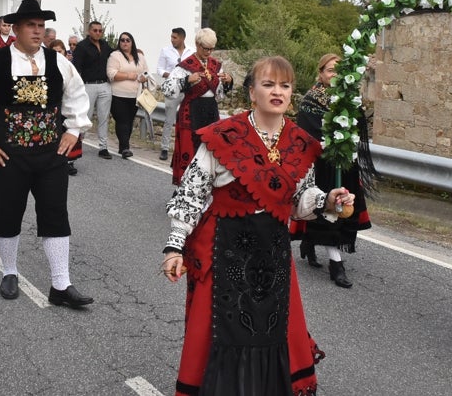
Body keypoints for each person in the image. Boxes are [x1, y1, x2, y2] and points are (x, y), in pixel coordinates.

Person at [162, 56, 355, 395]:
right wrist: (174, 245)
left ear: (292, 93)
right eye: (268, 84)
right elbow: (192, 192)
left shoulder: (299, 142)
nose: (277, 91)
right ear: (252, 92)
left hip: (273, 254)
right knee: (222, 333)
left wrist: (327, 201)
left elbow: (298, 202)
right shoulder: (224, 136)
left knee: (272, 333)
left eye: (284, 85)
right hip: (225, 251)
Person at [0, 0, 94, 308]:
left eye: (41, 26)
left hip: (51, 154)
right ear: (15, 29)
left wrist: (72, 130)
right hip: (7, 154)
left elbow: (78, 97)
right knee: (9, 211)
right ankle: (10, 271)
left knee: (56, 213)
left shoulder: (59, 63)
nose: (38, 31)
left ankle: (61, 284)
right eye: (31, 25)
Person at [292, 53, 375, 288]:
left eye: (339, 71)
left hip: (345, 162)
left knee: (346, 209)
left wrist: (349, 127)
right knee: (330, 210)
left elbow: (358, 124)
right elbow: (308, 132)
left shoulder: (347, 97)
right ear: (320, 73)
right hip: (323, 164)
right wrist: (333, 136)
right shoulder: (311, 100)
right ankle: (336, 264)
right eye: (330, 70)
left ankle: (309, 241)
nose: (334, 75)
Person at [161, 28, 233, 185]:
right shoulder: (185, 66)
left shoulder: (216, 65)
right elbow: (167, 89)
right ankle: (186, 188)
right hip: (191, 112)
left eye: (211, 49)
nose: (208, 52)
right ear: (197, 44)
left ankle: (206, 188)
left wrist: (228, 82)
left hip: (210, 112)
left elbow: (219, 95)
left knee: (211, 152)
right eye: (205, 48)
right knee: (191, 152)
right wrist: (186, 80)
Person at [72, 20, 113, 160]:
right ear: (89, 31)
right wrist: (79, 87)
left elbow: (115, 55)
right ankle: (77, 143)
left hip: (104, 85)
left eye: (100, 30)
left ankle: (103, 147)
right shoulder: (82, 47)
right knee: (86, 117)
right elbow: (77, 67)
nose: (98, 33)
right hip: (88, 85)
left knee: (103, 117)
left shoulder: (105, 45)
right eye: (95, 30)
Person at [106, 32, 148, 159]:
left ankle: (122, 146)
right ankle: (125, 147)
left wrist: (143, 78)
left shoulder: (140, 57)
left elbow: (146, 72)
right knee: (122, 120)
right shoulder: (115, 55)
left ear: (132, 42)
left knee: (129, 121)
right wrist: (128, 76)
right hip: (118, 95)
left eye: (127, 40)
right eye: (122, 40)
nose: (124, 42)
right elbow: (111, 73)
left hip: (135, 95)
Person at [156, 27, 195, 161]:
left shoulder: (192, 52)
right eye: (171, 37)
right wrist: (170, 75)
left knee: (187, 120)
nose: (172, 39)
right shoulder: (165, 51)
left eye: (175, 37)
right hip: (173, 90)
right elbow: (159, 69)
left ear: (182, 38)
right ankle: (165, 148)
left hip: (187, 89)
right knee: (169, 120)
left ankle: (185, 147)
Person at [51, 39, 82, 176]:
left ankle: (70, 161)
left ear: (64, 52)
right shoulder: (46, 66)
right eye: (54, 52)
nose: (57, 54)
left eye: (60, 51)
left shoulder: (69, 67)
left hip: (67, 106)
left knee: (70, 131)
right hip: (55, 106)